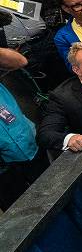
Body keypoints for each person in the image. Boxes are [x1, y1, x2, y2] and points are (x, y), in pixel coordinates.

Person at [0, 49, 47, 209]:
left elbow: (20, 61)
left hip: (28, 143)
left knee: (53, 188)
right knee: (22, 208)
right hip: (5, 167)